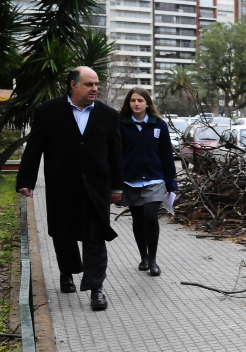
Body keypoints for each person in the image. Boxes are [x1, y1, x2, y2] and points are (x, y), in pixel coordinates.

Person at [17, 67, 124, 311]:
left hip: (96, 188)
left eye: (96, 84)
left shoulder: (108, 115)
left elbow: (116, 153)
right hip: (61, 185)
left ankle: (96, 288)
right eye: (88, 84)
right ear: (73, 85)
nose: (95, 89)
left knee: (95, 237)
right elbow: (34, 148)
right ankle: (67, 271)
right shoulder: (48, 112)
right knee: (63, 234)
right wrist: (26, 181)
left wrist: (117, 186)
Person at [118, 88, 177, 276]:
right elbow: (116, 155)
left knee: (150, 216)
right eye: (133, 100)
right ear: (129, 103)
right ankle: (143, 256)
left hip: (155, 180)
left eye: (140, 100)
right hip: (130, 181)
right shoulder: (121, 124)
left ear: (147, 103)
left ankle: (153, 260)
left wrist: (171, 183)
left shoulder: (159, 125)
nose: (137, 104)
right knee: (137, 219)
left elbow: (167, 155)